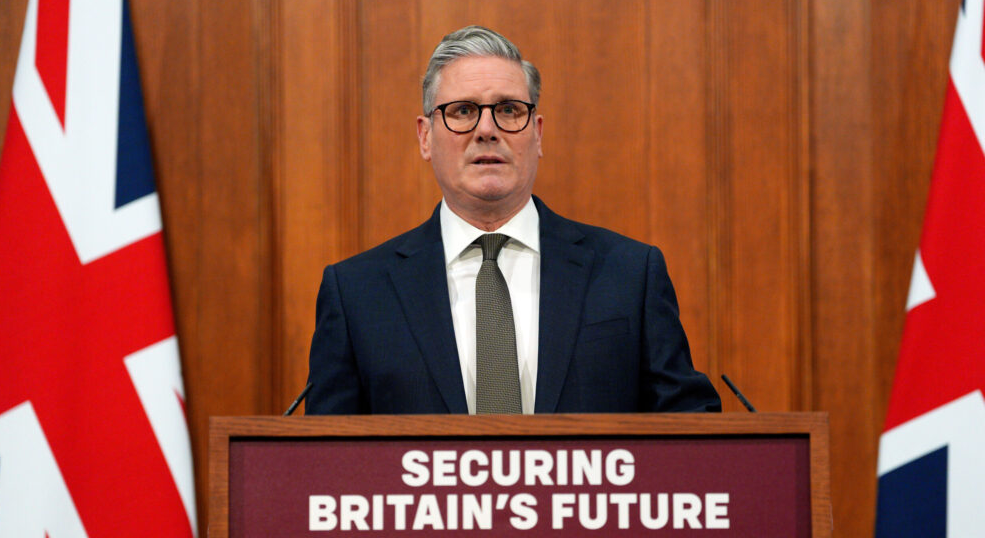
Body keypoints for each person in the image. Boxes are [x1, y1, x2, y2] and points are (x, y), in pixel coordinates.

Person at [305, 25, 720, 415]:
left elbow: (690, 430)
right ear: (425, 137)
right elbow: (325, 453)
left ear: (537, 133)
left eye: (508, 109)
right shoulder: (357, 293)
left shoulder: (630, 274)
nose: (487, 129)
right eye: (462, 111)